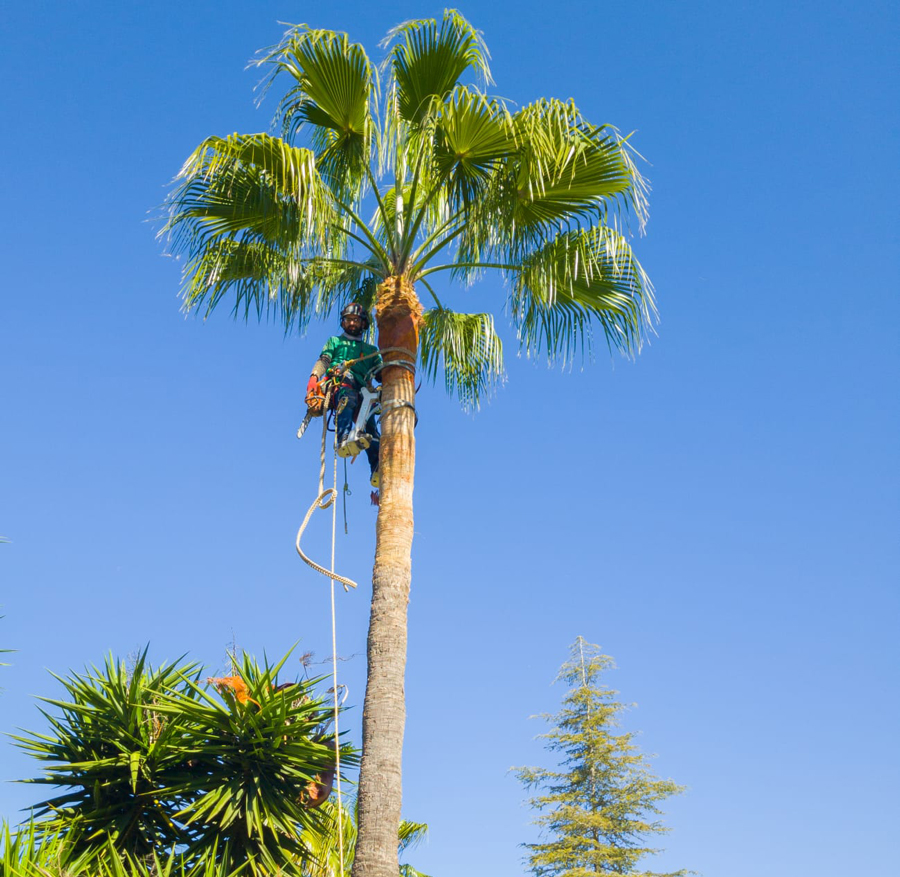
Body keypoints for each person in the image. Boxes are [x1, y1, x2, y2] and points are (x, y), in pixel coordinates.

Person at [306, 303, 382, 487]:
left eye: (356, 320)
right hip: (341, 383)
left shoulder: (371, 351)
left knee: (371, 430)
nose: (352, 323)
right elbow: (324, 360)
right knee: (348, 398)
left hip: (364, 389)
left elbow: (381, 375)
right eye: (349, 319)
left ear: (363, 323)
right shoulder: (335, 342)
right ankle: (344, 438)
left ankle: (378, 466)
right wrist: (314, 378)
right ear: (343, 322)